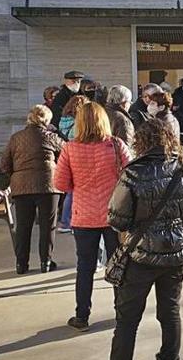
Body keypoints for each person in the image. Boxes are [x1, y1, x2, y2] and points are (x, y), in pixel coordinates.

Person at [106, 119, 183, 360]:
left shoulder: (133, 172)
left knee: (127, 319)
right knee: (170, 311)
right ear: (171, 139)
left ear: (141, 141)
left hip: (141, 255)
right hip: (177, 254)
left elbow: (117, 220)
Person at [54, 102, 132, 332]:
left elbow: (60, 183)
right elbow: (131, 175)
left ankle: (82, 316)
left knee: (85, 267)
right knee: (118, 264)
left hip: (83, 217)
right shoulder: (116, 145)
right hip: (114, 216)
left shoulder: (70, 148)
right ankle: (122, 312)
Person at [0, 105, 64, 274]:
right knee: (47, 225)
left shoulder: (16, 138)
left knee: (23, 226)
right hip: (48, 185)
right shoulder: (51, 137)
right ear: (47, 120)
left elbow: (4, 164)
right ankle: (46, 262)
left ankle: (21, 264)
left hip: (21, 187)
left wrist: (16, 176)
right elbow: (66, 154)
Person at [56, 95, 90, 232]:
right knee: (73, 192)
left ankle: (65, 221)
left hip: (66, 156)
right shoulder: (77, 123)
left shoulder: (63, 120)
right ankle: (66, 221)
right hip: (77, 156)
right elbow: (78, 138)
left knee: (69, 191)